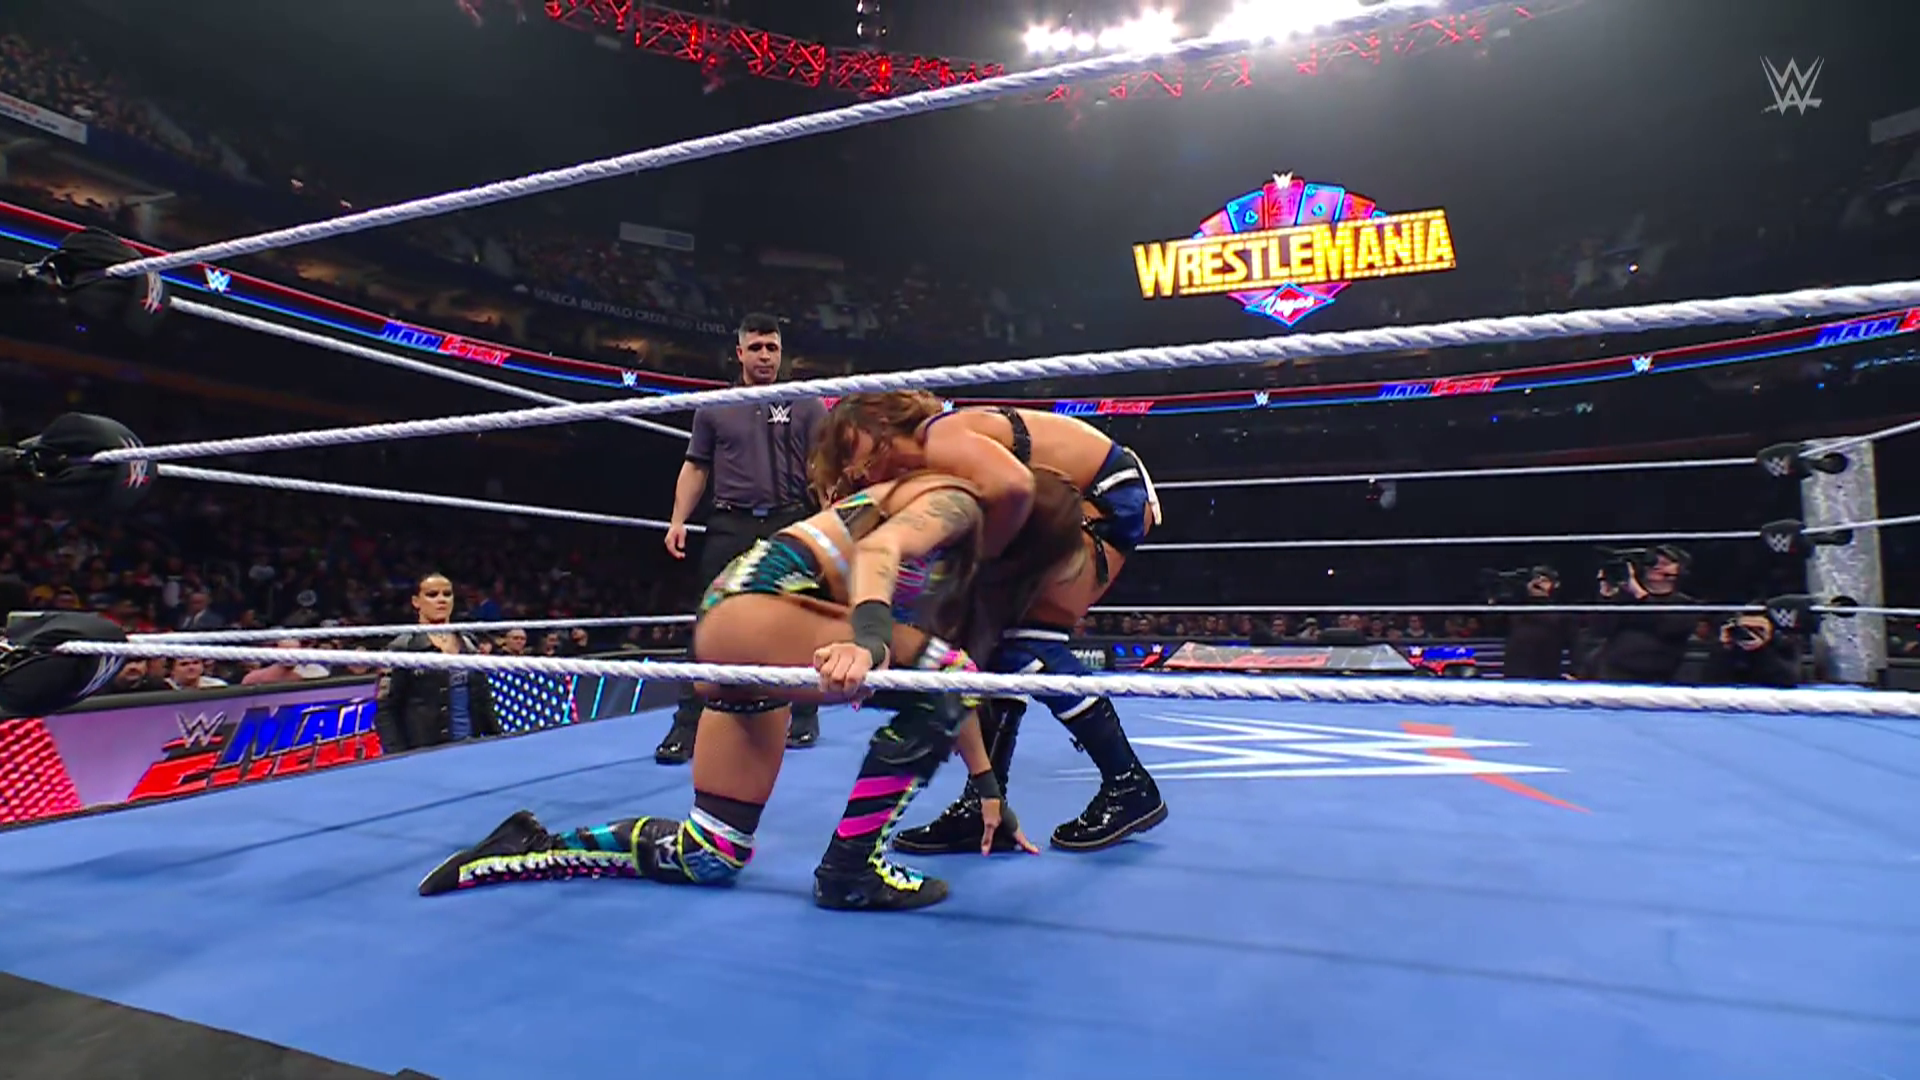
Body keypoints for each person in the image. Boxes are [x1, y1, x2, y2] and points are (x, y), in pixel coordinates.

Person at [419, 466, 1089, 911]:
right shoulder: (952, 506)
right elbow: (889, 572)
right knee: (948, 673)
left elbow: (951, 682)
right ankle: (852, 869)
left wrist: (987, 787)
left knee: (711, 854)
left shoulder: (955, 562)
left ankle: (524, 848)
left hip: (755, 636)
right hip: (757, 610)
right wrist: (870, 643)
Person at [807, 391, 1166, 854]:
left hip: (1106, 499)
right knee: (993, 649)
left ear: (877, 425)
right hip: (1077, 503)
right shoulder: (929, 465)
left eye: (849, 447)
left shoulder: (940, 436)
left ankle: (1128, 783)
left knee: (1024, 643)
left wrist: (977, 568)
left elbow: (1015, 487)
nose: (853, 469)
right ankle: (983, 806)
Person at [658, 313, 828, 762]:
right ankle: (686, 725)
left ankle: (805, 714)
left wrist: (830, 515)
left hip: (789, 520)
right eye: (756, 348)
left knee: (800, 617)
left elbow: (826, 462)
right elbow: (696, 465)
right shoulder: (715, 406)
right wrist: (677, 520)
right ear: (739, 353)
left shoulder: (806, 403)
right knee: (709, 619)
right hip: (730, 522)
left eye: (772, 348)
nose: (765, 356)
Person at [374, 573, 498, 752]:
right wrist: (398, 757)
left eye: (447, 594)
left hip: (471, 747)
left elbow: (483, 699)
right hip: (427, 751)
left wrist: (497, 741)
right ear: (416, 601)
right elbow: (386, 710)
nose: (442, 600)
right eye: (432, 595)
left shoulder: (468, 643)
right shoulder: (403, 648)